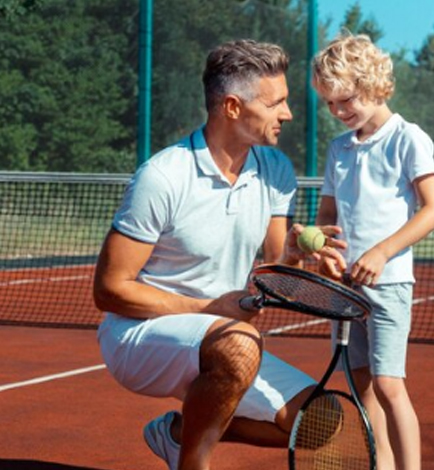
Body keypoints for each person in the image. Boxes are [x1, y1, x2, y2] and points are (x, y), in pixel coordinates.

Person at [93, 39, 347, 470]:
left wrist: (293, 256)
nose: (287, 114)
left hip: (225, 336)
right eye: (276, 103)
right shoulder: (163, 177)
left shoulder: (275, 171)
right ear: (232, 107)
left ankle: (179, 434)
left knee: (321, 421)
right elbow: (109, 290)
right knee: (242, 343)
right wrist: (210, 308)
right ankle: (193, 463)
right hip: (137, 337)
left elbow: (274, 275)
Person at [311, 32, 434, 470]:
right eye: (329, 104)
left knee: (389, 385)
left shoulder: (408, 138)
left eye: (345, 100)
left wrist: (382, 252)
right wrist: (322, 246)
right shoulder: (338, 149)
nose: (337, 111)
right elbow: (327, 214)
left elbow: (433, 211)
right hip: (345, 289)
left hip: (388, 285)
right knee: (362, 387)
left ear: (371, 84)